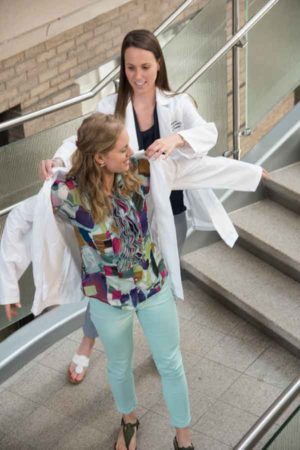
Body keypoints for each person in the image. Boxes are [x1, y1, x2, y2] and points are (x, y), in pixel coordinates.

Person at [39, 29, 219, 384]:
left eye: (145, 67)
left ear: (158, 65)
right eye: (130, 67)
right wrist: (56, 158)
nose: (138, 76)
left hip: (171, 208)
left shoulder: (178, 103)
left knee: (159, 279)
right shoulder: (110, 107)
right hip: (120, 213)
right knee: (109, 282)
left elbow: (208, 134)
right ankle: (88, 343)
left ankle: (161, 342)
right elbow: (80, 141)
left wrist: (176, 138)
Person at [51, 112, 194, 450]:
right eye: (122, 149)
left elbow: (197, 166)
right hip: (106, 293)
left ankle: (183, 438)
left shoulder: (140, 170)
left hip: (150, 281)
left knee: (170, 362)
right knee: (118, 365)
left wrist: (245, 173)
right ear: (99, 157)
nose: (130, 152)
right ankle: (129, 420)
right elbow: (29, 223)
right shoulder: (66, 195)